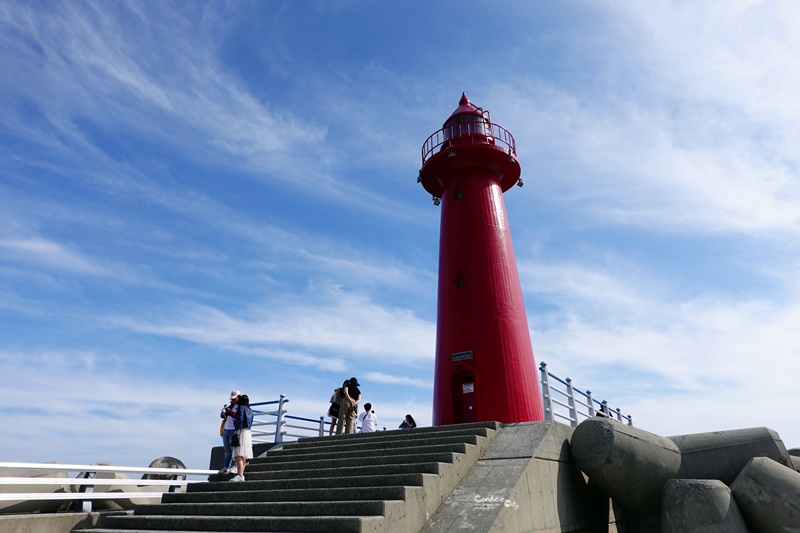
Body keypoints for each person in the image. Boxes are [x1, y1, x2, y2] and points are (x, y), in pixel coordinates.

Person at [230, 394, 254, 482]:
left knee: (238, 454)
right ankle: (241, 474)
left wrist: (235, 426)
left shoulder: (241, 408)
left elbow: (239, 420)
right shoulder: (250, 410)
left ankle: (240, 475)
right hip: (248, 432)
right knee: (243, 455)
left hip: (241, 431)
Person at [219, 390, 239, 474]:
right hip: (226, 429)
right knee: (227, 450)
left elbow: (237, 416)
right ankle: (226, 467)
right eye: (232, 399)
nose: (233, 400)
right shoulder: (231, 406)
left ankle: (234, 466)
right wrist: (224, 414)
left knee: (233, 449)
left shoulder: (240, 407)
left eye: (234, 398)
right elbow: (226, 416)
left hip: (233, 429)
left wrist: (230, 412)